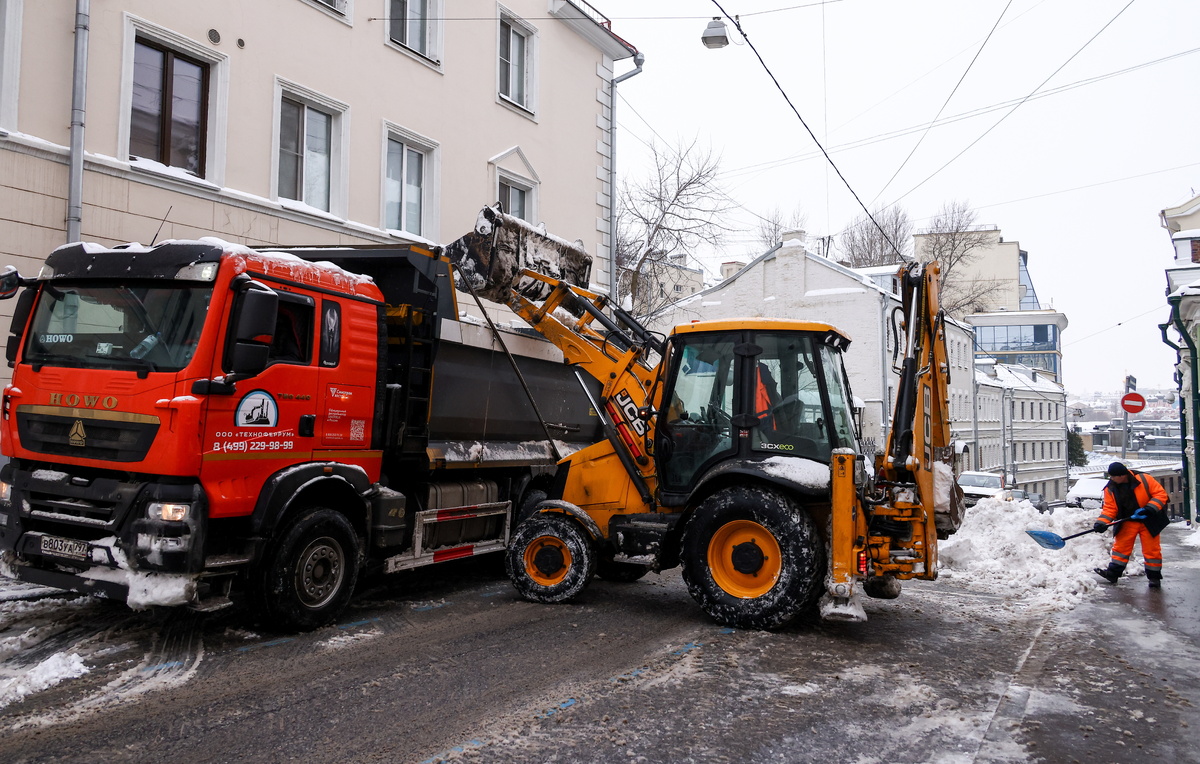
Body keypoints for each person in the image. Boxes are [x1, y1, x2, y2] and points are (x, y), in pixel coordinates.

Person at [1093, 461, 1169, 588]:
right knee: (1120, 549)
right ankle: (1112, 574)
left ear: (1122, 475)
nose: (1111, 479)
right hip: (1127, 521)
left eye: (1113, 476)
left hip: (1149, 520)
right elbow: (1110, 508)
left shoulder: (1144, 479)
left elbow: (1161, 494)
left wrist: (1149, 508)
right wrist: (1101, 523)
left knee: (1152, 550)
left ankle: (1154, 578)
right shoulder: (1110, 488)